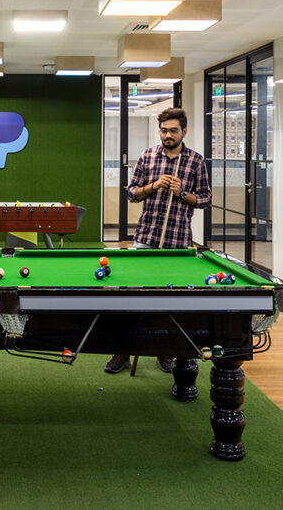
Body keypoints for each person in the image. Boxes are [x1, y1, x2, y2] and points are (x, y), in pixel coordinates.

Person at [105, 107, 211, 374]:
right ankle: (123, 352)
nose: (167, 135)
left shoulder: (195, 161)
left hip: (177, 243)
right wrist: (154, 186)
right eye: (164, 130)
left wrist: (182, 192)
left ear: (184, 132)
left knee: (170, 301)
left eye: (173, 130)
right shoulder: (148, 157)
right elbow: (131, 193)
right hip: (146, 239)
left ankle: (165, 351)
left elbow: (206, 199)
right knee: (133, 298)